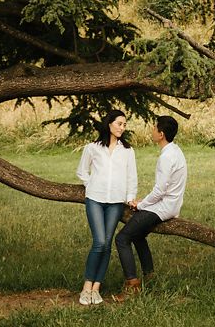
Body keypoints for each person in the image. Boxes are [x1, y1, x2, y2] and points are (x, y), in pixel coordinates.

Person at [113, 114, 187, 301]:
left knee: (122, 239)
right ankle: (150, 276)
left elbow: (160, 190)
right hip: (170, 204)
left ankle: (132, 285)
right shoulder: (176, 151)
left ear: (161, 134)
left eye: (155, 128)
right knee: (137, 235)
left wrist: (141, 204)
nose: (152, 131)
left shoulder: (166, 157)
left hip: (163, 207)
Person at [75, 109, 137, 306]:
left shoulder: (127, 150)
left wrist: (129, 197)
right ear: (109, 123)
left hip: (116, 202)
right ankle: (86, 287)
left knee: (108, 243)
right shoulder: (93, 147)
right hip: (95, 198)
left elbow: (131, 176)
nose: (122, 127)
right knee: (99, 242)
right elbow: (82, 171)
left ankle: (96, 288)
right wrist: (91, 184)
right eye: (119, 123)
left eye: (124, 125)